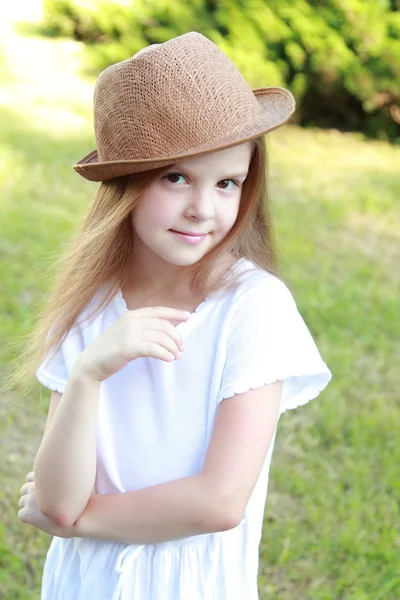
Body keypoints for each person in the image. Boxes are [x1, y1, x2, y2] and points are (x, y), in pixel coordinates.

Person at [17, 31, 332, 600]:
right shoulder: (90, 306)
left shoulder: (252, 307)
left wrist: (79, 521)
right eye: (176, 177)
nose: (203, 209)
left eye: (227, 183)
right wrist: (88, 374)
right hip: (84, 583)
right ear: (124, 186)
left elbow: (217, 503)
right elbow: (58, 498)